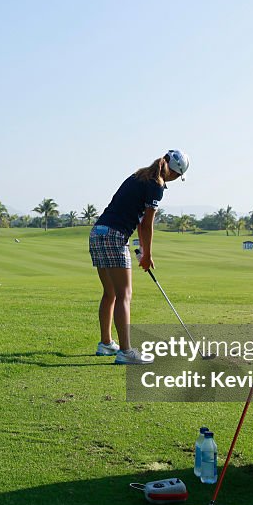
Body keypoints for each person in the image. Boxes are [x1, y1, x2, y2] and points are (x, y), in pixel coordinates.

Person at [89, 150, 190, 363]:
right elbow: (146, 225)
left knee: (110, 293)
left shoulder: (138, 176)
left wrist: (144, 252)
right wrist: (147, 255)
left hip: (97, 233)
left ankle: (106, 344)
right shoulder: (156, 185)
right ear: (174, 173)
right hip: (115, 236)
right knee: (124, 294)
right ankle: (125, 352)